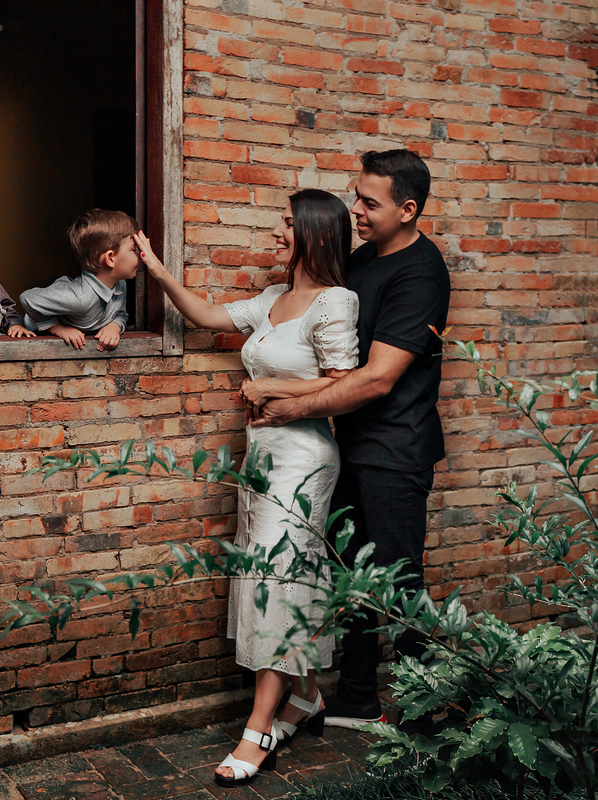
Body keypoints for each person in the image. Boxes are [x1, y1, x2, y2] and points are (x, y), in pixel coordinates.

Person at [138, 190, 359, 787]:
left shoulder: (336, 300)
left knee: (279, 579)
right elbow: (208, 317)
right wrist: (157, 270)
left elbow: (343, 381)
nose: (277, 233)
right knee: (277, 576)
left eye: (287, 224)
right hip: (262, 458)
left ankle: (258, 729)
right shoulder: (274, 299)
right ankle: (304, 696)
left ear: (316, 233)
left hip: (304, 459)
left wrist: (273, 389)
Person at [250, 150, 451, 736]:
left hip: (396, 451)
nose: (356, 210)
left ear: (407, 210)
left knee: (398, 581)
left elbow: (379, 377)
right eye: (356, 196)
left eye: (370, 202)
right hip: (350, 447)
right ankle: (360, 698)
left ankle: (425, 714)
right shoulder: (363, 260)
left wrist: (293, 405)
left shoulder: (421, 273)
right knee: (353, 579)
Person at [19, 209, 138, 350]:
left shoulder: (120, 284)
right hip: (35, 330)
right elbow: (28, 298)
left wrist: (114, 326)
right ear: (110, 258)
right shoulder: (79, 298)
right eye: (134, 249)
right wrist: (58, 328)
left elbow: (120, 314)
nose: (141, 254)